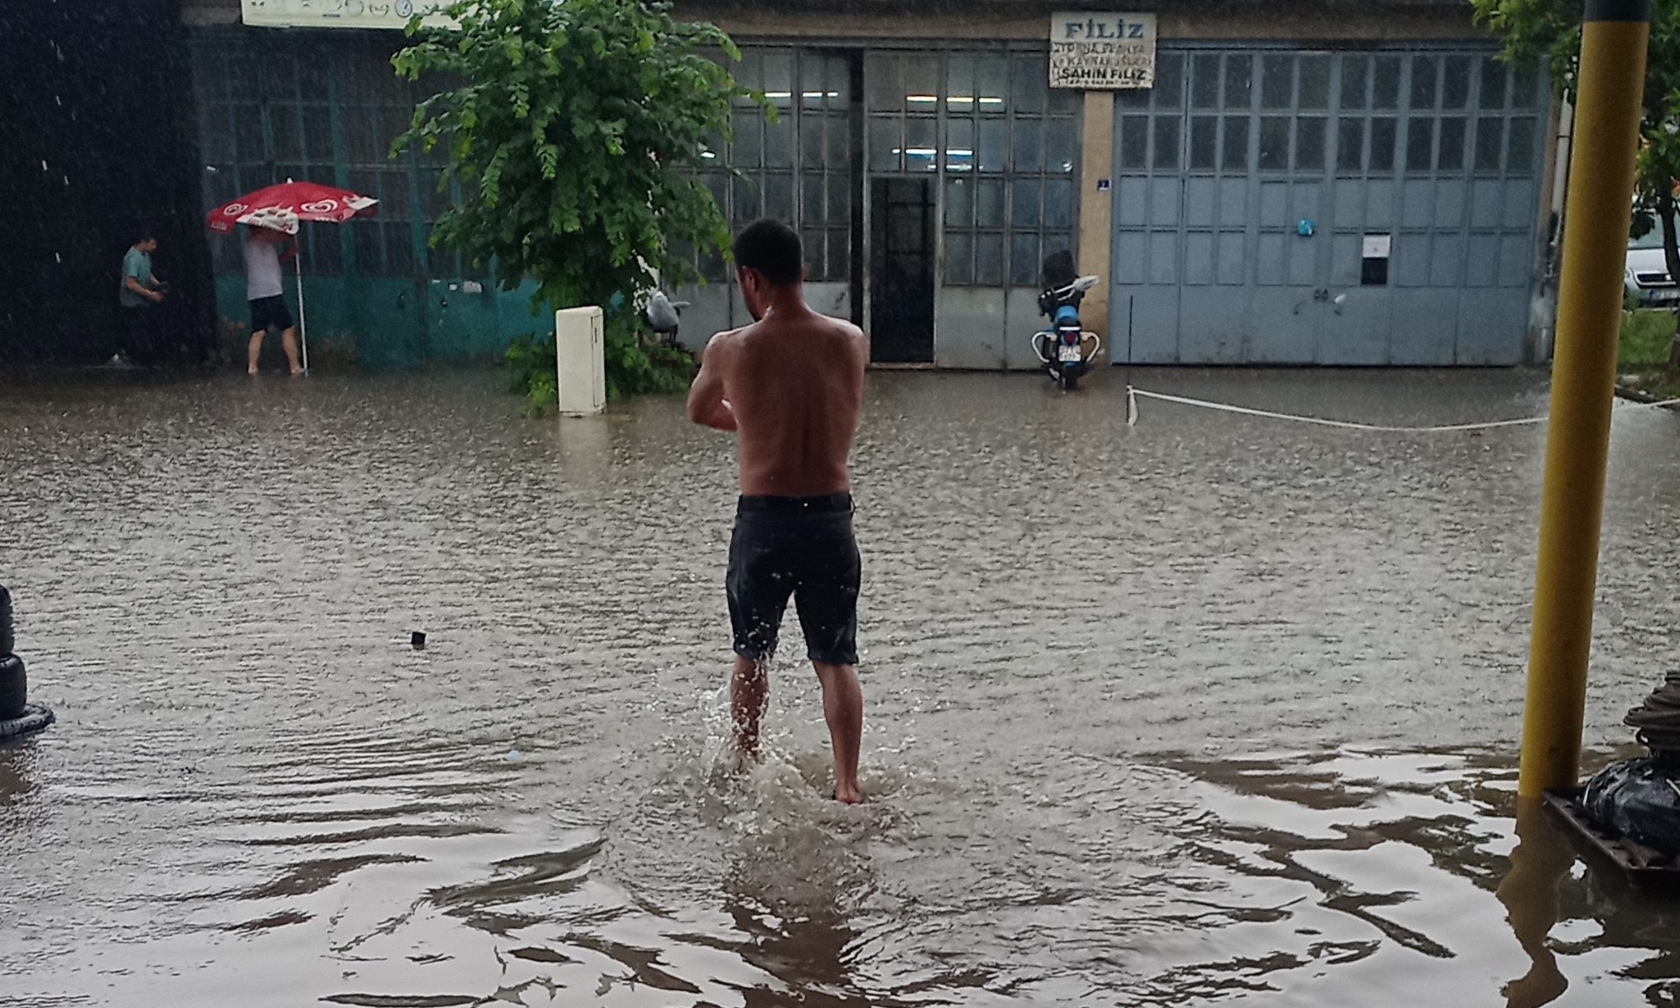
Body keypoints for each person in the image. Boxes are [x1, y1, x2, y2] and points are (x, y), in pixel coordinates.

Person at [686, 219, 870, 804]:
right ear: (805, 273)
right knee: (835, 659)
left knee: (752, 652)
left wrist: (751, 421)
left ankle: (745, 765)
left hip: (763, 521)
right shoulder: (850, 341)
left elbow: (697, 410)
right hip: (830, 520)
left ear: (750, 278)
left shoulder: (730, 348)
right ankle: (847, 783)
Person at [243, 226, 303, 375]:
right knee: (288, 328)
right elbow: (284, 235)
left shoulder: (256, 244)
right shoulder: (260, 240)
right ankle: (295, 366)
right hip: (271, 292)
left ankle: (252, 367)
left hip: (256, 293)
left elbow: (274, 262)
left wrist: (288, 254)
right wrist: (293, 226)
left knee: (259, 331)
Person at [118, 232, 166, 364]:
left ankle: (144, 356)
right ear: (143, 242)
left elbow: (146, 272)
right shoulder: (132, 258)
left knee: (145, 329)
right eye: (152, 244)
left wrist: (158, 284)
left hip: (143, 301)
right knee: (137, 330)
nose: (154, 247)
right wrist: (150, 294)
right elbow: (130, 283)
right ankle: (134, 357)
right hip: (132, 303)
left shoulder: (145, 256)